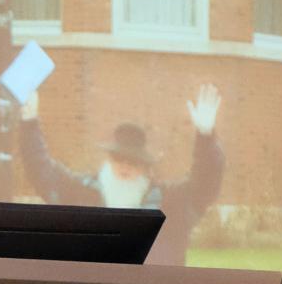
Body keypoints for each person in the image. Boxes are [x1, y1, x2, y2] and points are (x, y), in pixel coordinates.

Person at [17, 84, 225, 266]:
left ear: (145, 168)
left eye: (133, 162)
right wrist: (29, 123)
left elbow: (206, 182)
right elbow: (42, 170)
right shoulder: (80, 193)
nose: (125, 167)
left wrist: (205, 137)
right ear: (108, 161)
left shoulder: (170, 204)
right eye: (119, 159)